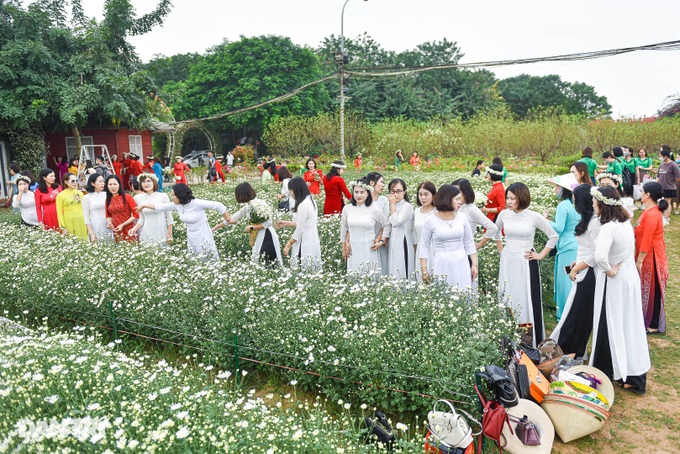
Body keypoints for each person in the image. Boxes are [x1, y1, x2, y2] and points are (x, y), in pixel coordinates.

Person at [589, 186, 651, 394]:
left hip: (615, 281)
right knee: (627, 324)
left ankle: (605, 370)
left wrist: (608, 270)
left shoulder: (608, 227)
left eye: (594, 202)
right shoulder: (624, 222)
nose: (592, 205)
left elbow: (599, 256)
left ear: (602, 204)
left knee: (609, 324)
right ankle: (631, 375)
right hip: (628, 277)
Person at [495, 183, 558, 346]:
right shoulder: (503, 214)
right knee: (508, 295)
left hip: (526, 262)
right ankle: (506, 340)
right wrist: (501, 249)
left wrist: (540, 255)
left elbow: (553, 236)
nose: (508, 201)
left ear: (521, 198)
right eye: (507, 197)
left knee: (526, 297)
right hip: (508, 261)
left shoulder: (533, 216)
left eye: (512, 198)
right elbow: (494, 231)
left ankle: (528, 340)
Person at [551, 185, 600, 359]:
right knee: (573, 313)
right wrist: (576, 262)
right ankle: (570, 350)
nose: (573, 203)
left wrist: (577, 268)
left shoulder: (594, 222)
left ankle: (573, 352)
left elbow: (596, 254)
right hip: (581, 266)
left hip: (588, 272)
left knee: (578, 314)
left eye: (575, 199)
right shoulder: (587, 219)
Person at [141, 184, 229, 261]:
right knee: (194, 258)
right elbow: (160, 207)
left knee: (207, 254)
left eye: (173, 195)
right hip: (191, 235)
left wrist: (228, 219)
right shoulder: (177, 205)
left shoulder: (197, 203)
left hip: (203, 234)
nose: (172, 197)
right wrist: (144, 205)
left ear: (180, 195)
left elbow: (219, 205)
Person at [419, 184, 478, 290]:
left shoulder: (462, 217)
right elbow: (424, 246)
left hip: (461, 261)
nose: (460, 202)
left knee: (464, 292)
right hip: (442, 262)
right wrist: (424, 269)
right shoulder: (430, 220)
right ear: (447, 199)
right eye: (457, 199)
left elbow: (469, 242)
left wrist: (474, 264)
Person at [216, 182, 282, 266]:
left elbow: (269, 222)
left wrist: (251, 227)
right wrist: (216, 227)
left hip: (267, 236)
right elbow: (232, 218)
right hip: (257, 236)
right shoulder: (248, 206)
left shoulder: (259, 204)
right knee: (260, 261)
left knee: (269, 262)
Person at [545, 174, 580, 321]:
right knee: (573, 279)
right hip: (577, 245)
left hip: (565, 247)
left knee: (564, 280)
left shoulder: (563, 206)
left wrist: (545, 220)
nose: (555, 189)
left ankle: (563, 313)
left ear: (563, 189)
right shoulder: (577, 204)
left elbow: (558, 228)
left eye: (557, 187)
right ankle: (574, 311)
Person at [635, 182, 669, 335]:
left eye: (642, 191)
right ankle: (646, 319)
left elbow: (647, 240)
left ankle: (653, 324)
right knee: (647, 288)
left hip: (652, 256)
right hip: (649, 254)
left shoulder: (652, 214)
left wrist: (640, 260)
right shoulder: (649, 211)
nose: (640, 194)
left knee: (653, 290)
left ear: (648, 195)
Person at [340, 178, 389, 274]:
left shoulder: (374, 209)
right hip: (352, 250)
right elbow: (344, 229)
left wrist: (382, 241)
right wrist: (344, 247)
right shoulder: (347, 209)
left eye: (362, 192)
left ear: (368, 193)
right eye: (356, 192)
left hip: (369, 249)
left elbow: (386, 224)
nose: (358, 195)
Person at [277, 177, 322, 272]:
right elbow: (304, 223)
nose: (291, 194)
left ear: (297, 190)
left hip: (304, 241)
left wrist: (288, 245)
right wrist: (286, 223)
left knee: (303, 269)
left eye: (291, 191)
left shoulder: (303, 205)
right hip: (312, 238)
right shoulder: (311, 200)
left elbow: (300, 229)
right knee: (311, 268)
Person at [451, 178, 500, 250]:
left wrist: (479, 245)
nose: (454, 195)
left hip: (466, 251)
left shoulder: (471, 209)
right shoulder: (452, 208)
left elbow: (493, 228)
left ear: (465, 193)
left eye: (458, 192)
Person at [130, 173, 174, 246]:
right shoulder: (140, 198)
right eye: (143, 182)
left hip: (160, 231)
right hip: (146, 232)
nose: (146, 184)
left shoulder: (163, 196)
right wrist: (134, 229)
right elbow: (142, 219)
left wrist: (169, 233)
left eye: (148, 181)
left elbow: (169, 216)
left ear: (154, 182)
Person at [387, 178, 415, 280]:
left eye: (399, 191)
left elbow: (395, 222)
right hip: (393, 241)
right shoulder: (390, 205)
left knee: (403, 268)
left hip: (404, 242)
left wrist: (392, 204)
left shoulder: (407, 206)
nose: (395, 195)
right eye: (392, 191)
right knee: (393, 267)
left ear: (404, 192)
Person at [366, 172, 390, 275]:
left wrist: (380, 238)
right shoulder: (362, 199)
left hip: (381, 239)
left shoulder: (383, 200)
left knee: (382, 266)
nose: (383, 185)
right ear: (372, 183)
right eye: (381, 182)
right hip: (366, 237)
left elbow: (387, 221)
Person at [413, 181, 437, 279]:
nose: (423, 197)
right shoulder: (416, 211)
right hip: (420, 249)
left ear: (433, 195)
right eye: (420, 194)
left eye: (426, 194)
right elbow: (415, 235)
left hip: (435, 249)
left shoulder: (438, 211)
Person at [105, 175, 138, 242]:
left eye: (115, 184)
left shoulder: (127, 197)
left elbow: (136, 214)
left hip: (128, 228)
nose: (113, 187)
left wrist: (123, 225)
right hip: (116, 229)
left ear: (119, 185)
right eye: (110, 184)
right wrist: (110, 224)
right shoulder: (108, 199)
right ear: (107, 186)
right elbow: (108, 215)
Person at [55, 172, 88, 240]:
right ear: (66, 182)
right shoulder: (60, 196)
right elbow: (59, 213)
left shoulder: (80, 193)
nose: (75, 182)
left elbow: (85, 209)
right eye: (72, 181)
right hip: (69, 221)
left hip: (81, 220)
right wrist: (63, 227)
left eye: (76, 180)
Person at [82, 173, 112, 242]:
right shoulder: (87, 197)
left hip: (108, 225)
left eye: (103, 182)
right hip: (95, 225)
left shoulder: (107, 195)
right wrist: (91, 233)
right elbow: (86, 217)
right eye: (100, 182)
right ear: (93, 183)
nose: (102, 184)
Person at [657, 148, 680, 215]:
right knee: (660, 202)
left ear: (665, 156)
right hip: (661, 187)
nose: (660, 158)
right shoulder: (661, 165)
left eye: (661, 156)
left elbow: (678, 177)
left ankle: (666, 217)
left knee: (667, 202)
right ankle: (662, 215)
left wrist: (672, 183)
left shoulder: (673, 165)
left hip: (669, 187)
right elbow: (658, 176)